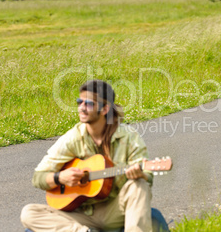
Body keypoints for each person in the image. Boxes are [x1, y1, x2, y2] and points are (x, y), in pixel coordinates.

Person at [20, 79, 153, 232]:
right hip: (80, 214)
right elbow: (38, 177)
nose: (81, 108)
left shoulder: (128, 137)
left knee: (139, 185)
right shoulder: (73, 138)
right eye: (79, 102)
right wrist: (60, 177)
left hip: (115, 211)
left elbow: (148, 174)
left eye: (88, 104)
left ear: (104, 109)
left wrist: (141, 174)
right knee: (29, 213)